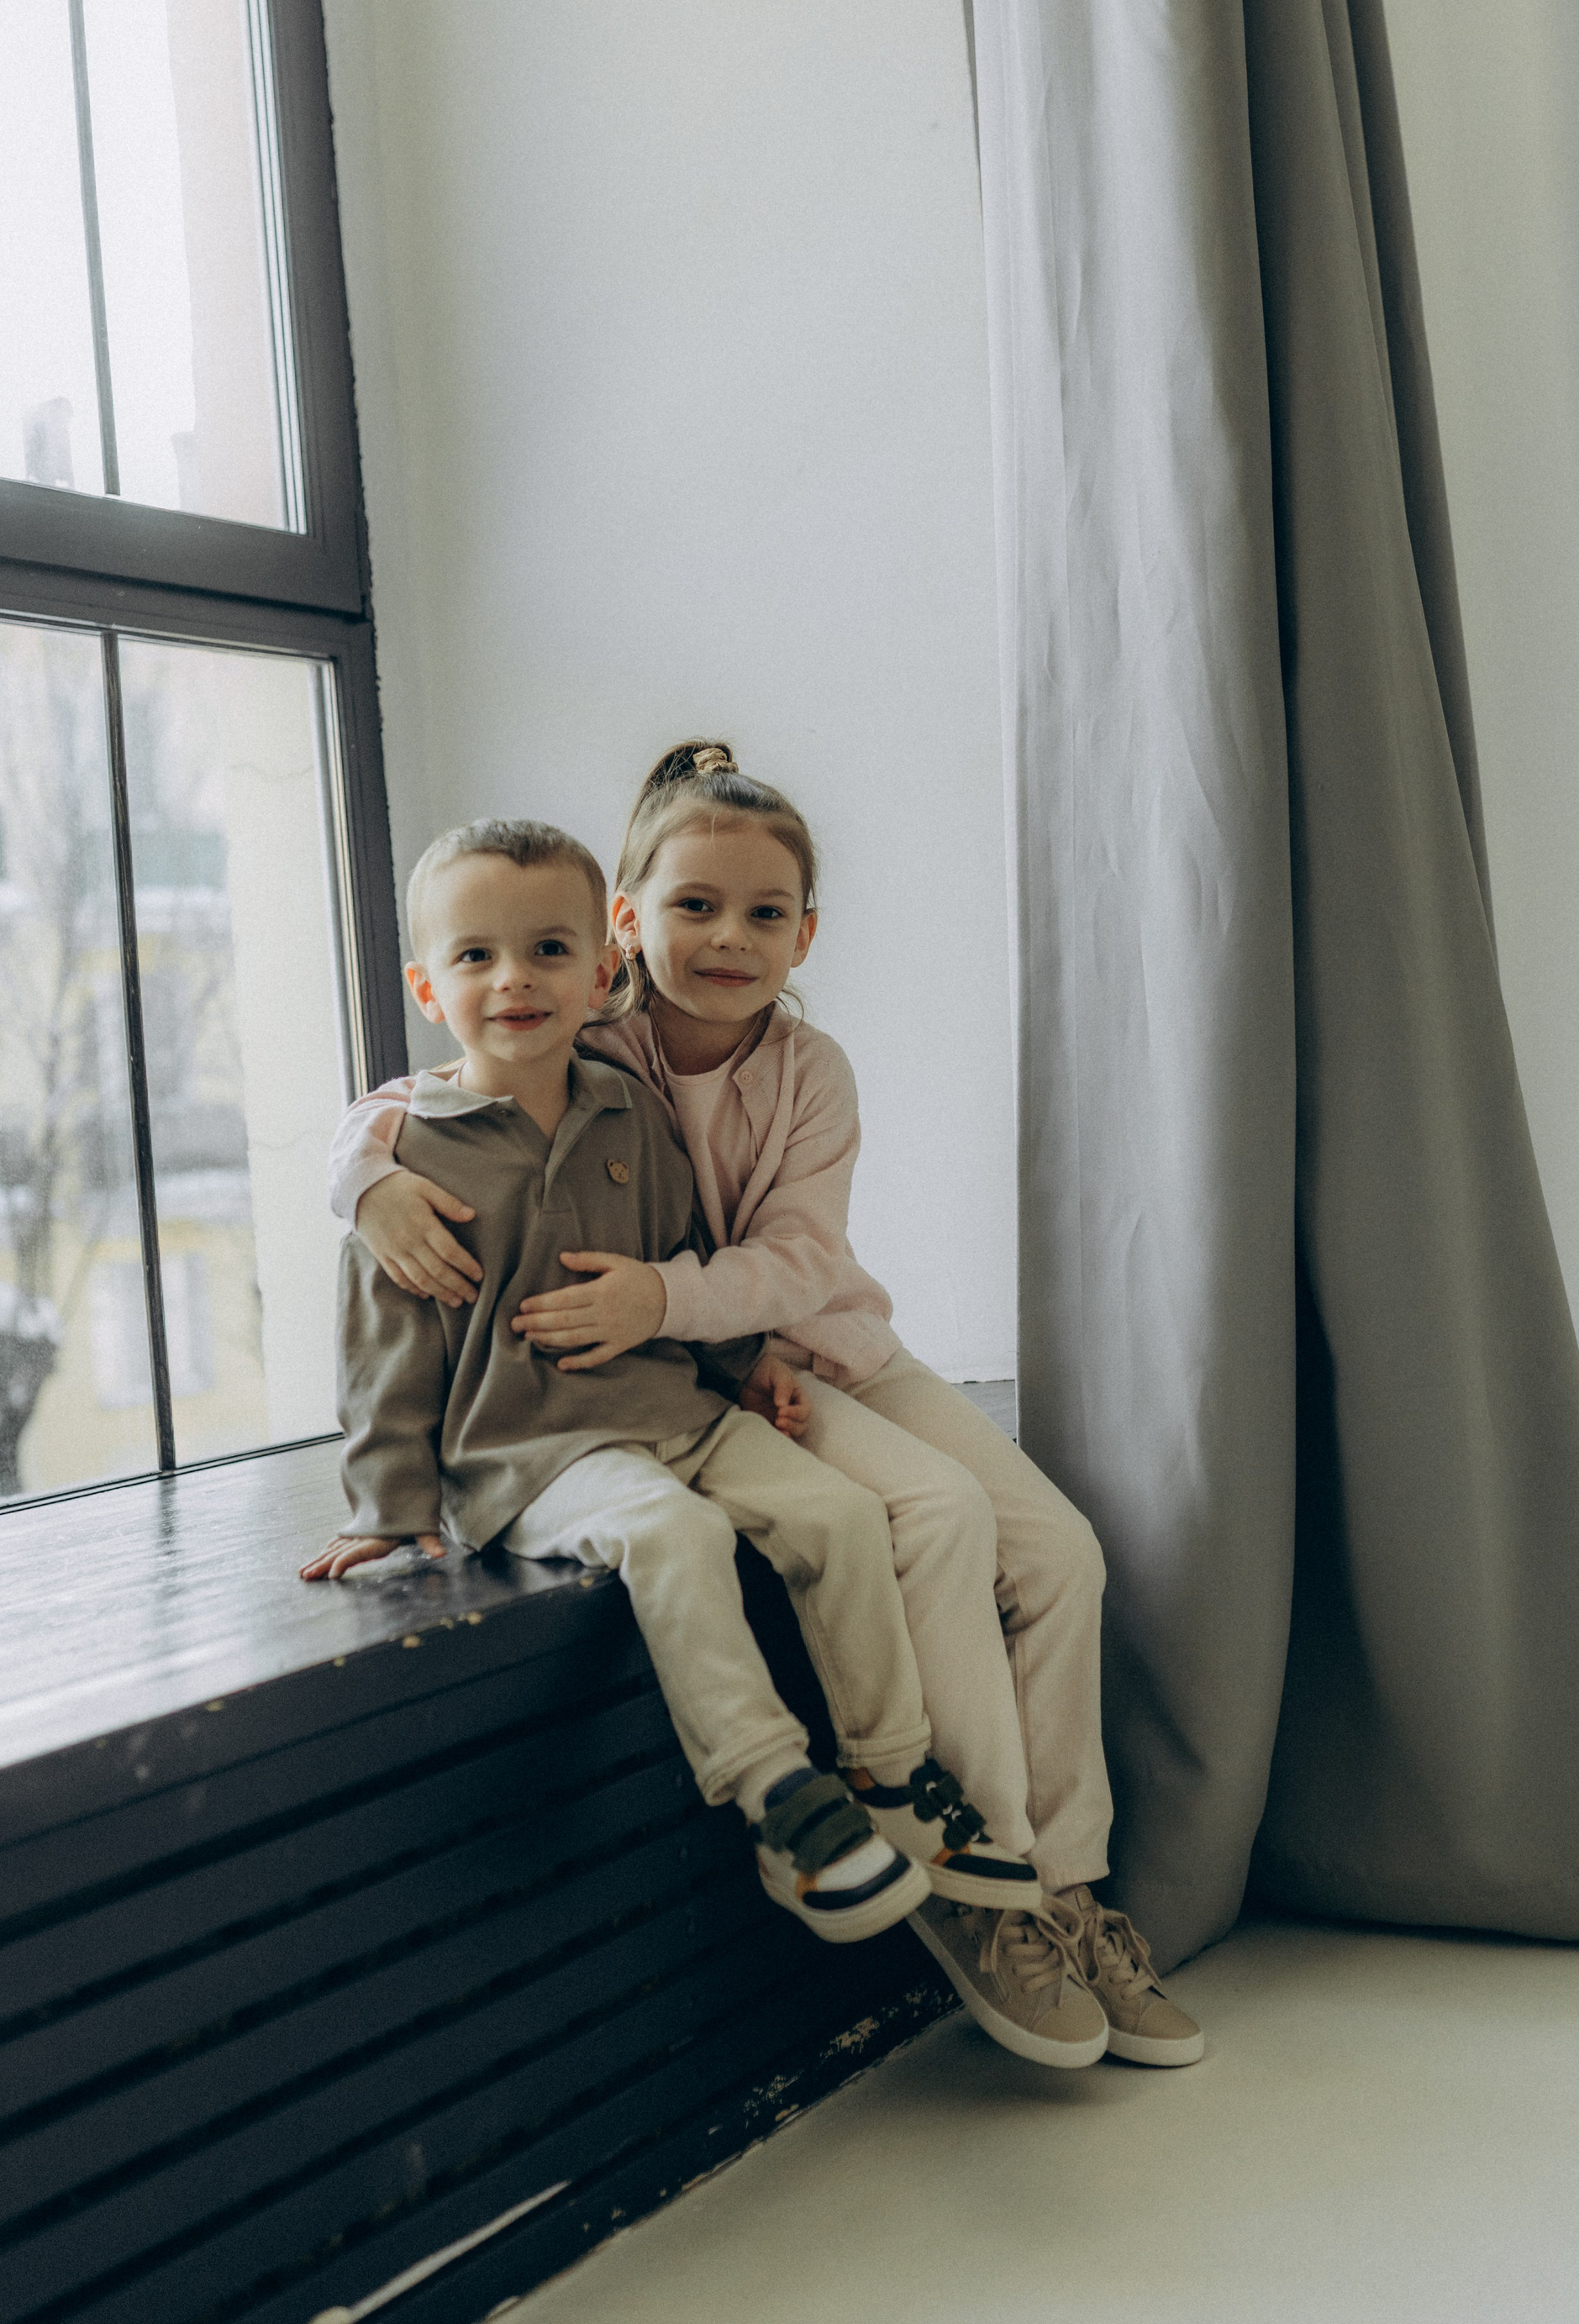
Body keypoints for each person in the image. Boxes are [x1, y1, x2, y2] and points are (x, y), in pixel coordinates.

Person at [329, 758, 1200, 2069]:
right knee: (937, 1517)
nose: (728, 939)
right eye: (695, 907)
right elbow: (431, 1095)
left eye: (764, 914)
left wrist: (668, 1304)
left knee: (1063, 1555)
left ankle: (1070, 1884)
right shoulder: (591, 1035)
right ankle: (985, 1882)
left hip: (817, 1347)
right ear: (628, 924)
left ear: (806, 933)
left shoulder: (809, 1068)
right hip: (710, 1376)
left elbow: (800, 1257)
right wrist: (361, 1179)